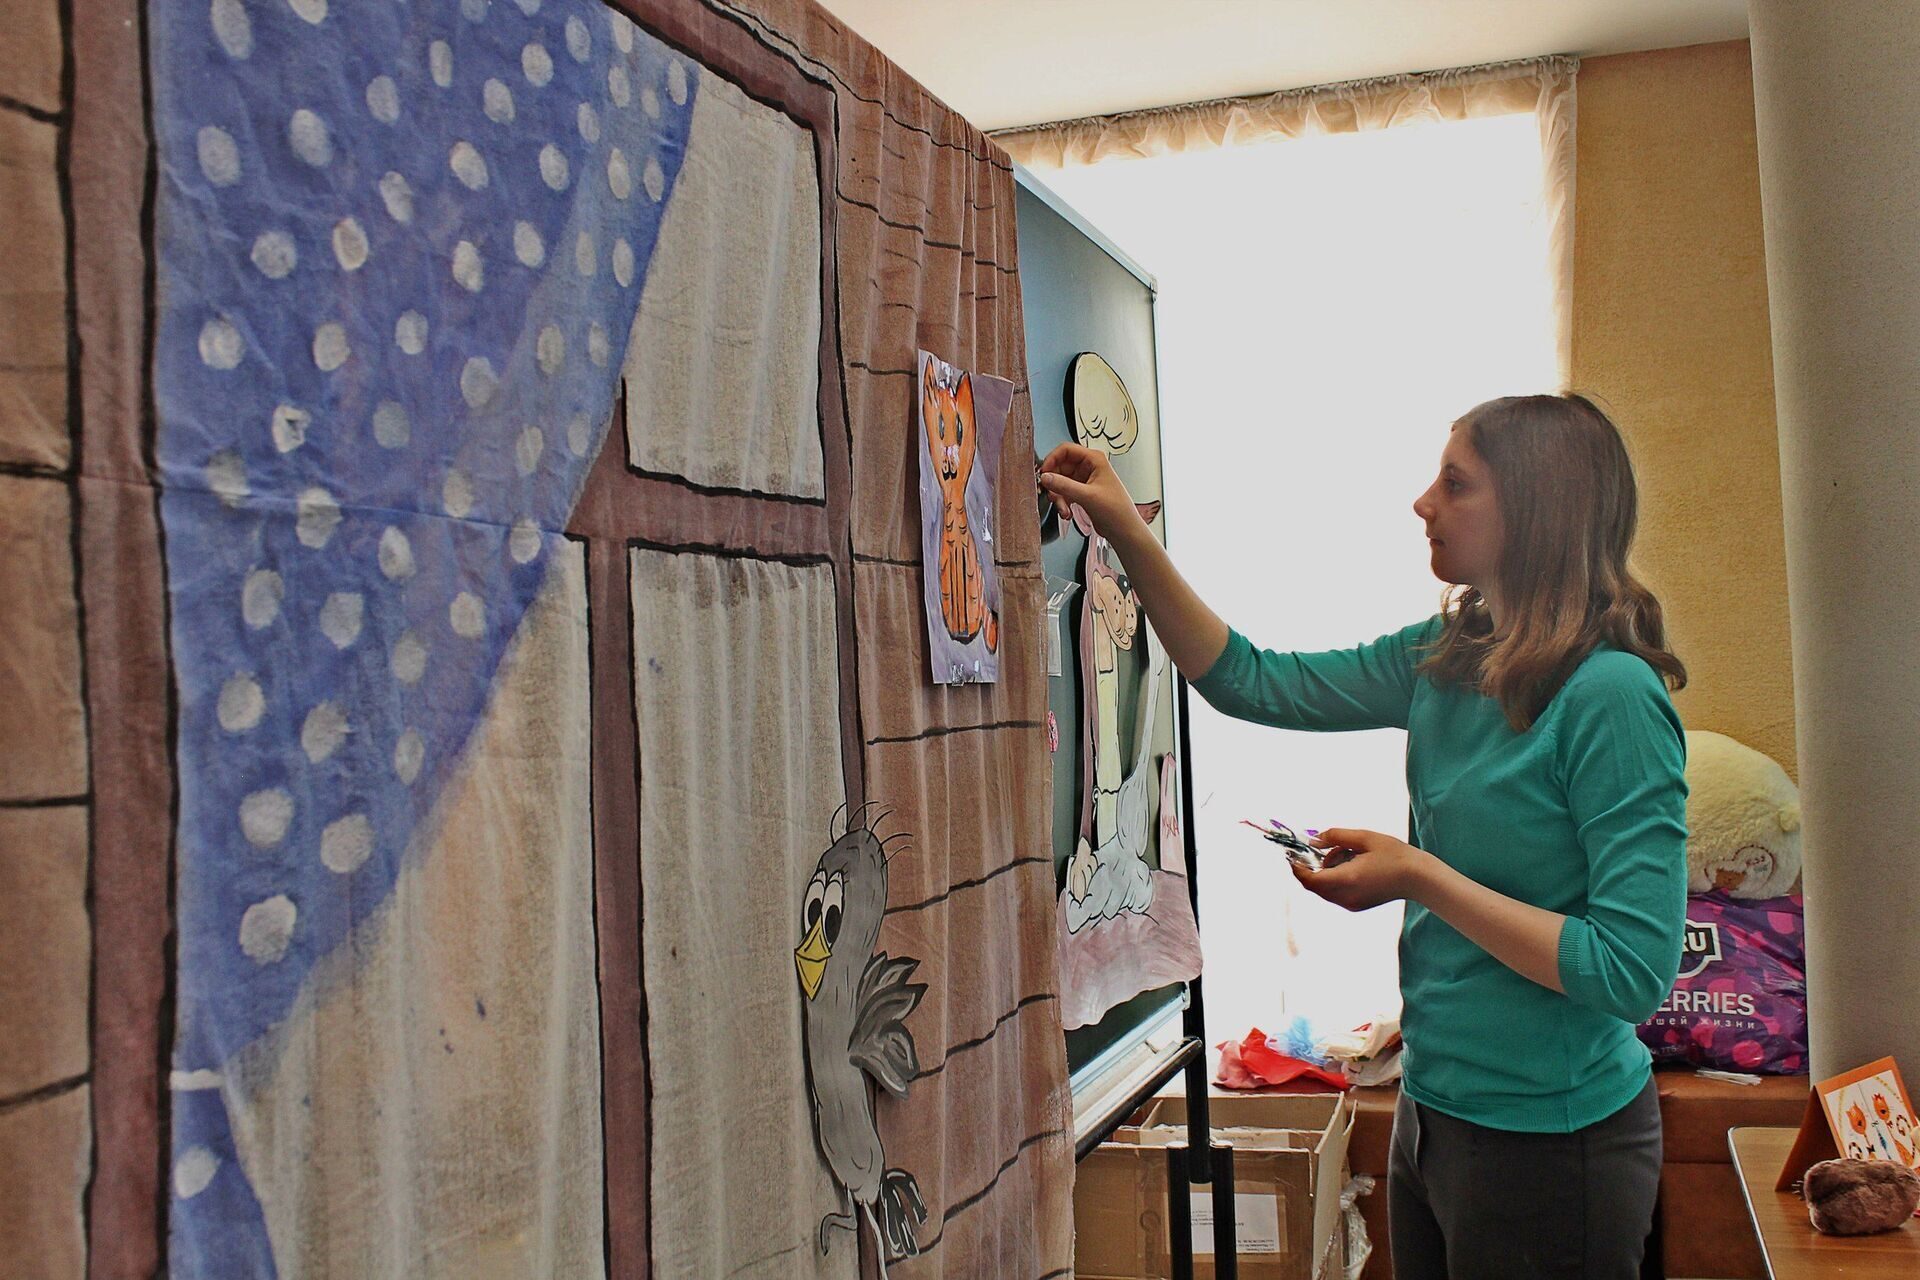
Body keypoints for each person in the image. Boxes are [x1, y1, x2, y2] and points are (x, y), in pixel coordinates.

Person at [1038, 394, 1688, 1279]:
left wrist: (1419, 875)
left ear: (1535, 510)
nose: (1424, 502)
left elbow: (1631, 971)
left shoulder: (1612, 698)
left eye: (1456, 483)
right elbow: (1250, 681)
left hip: (1554, 1144)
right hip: (1434, 1113)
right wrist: (1124, 529)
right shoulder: (1451, 654)